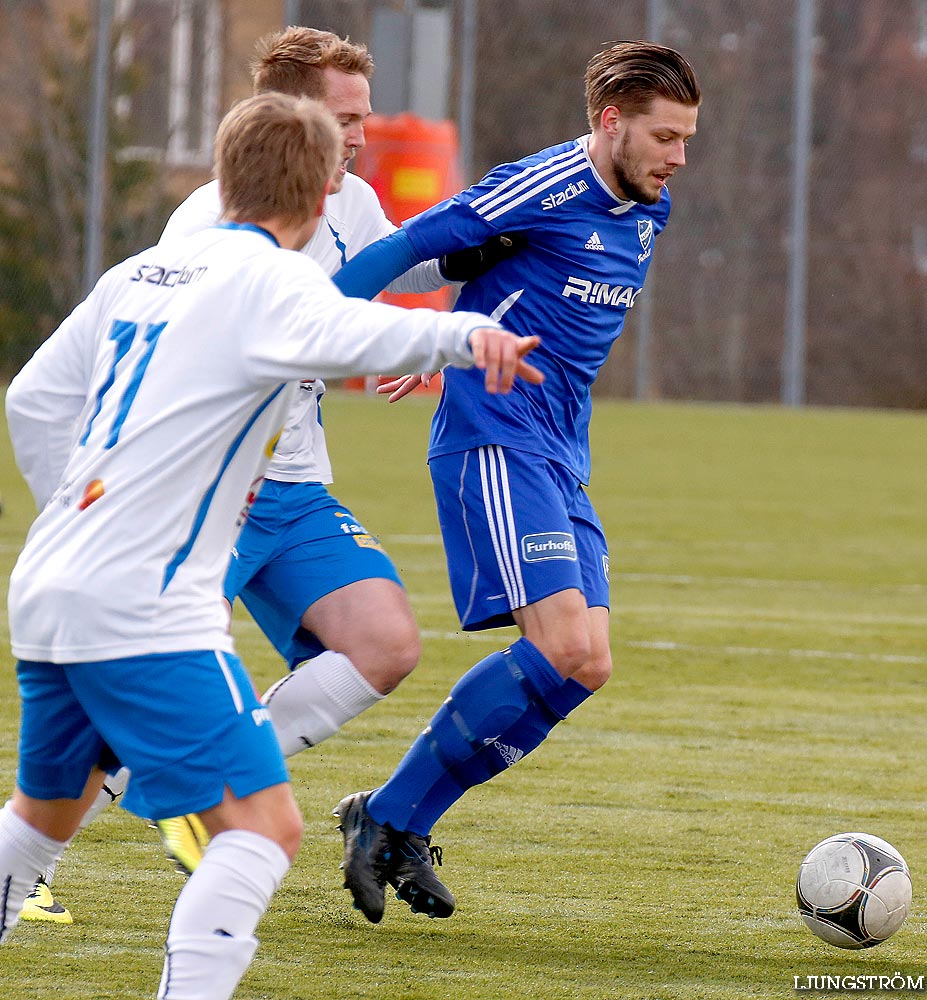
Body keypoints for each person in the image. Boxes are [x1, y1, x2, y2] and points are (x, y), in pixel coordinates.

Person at [0, 90, 540, 999]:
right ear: (325, 195)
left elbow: (30, 401)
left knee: (42, 816)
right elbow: (359, 330)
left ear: (224, 176)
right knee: (262, 829)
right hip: (144, 605)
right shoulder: (272, 281)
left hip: (51, 583)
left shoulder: (142, 271)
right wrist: (466, 332)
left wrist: (82, 507)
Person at [329, 40, 701, 924]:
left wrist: (446, 343)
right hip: (494, 440)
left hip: (562, 452)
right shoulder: (537, 186)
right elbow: (417, 248)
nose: (678, 157)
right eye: (664, 136)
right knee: (565, 645)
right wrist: (317, 335)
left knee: (588, 663)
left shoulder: (651, 210)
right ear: (609, 122)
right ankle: (388, 818)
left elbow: (501, 281)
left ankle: (390, 820)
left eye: (687, 138)